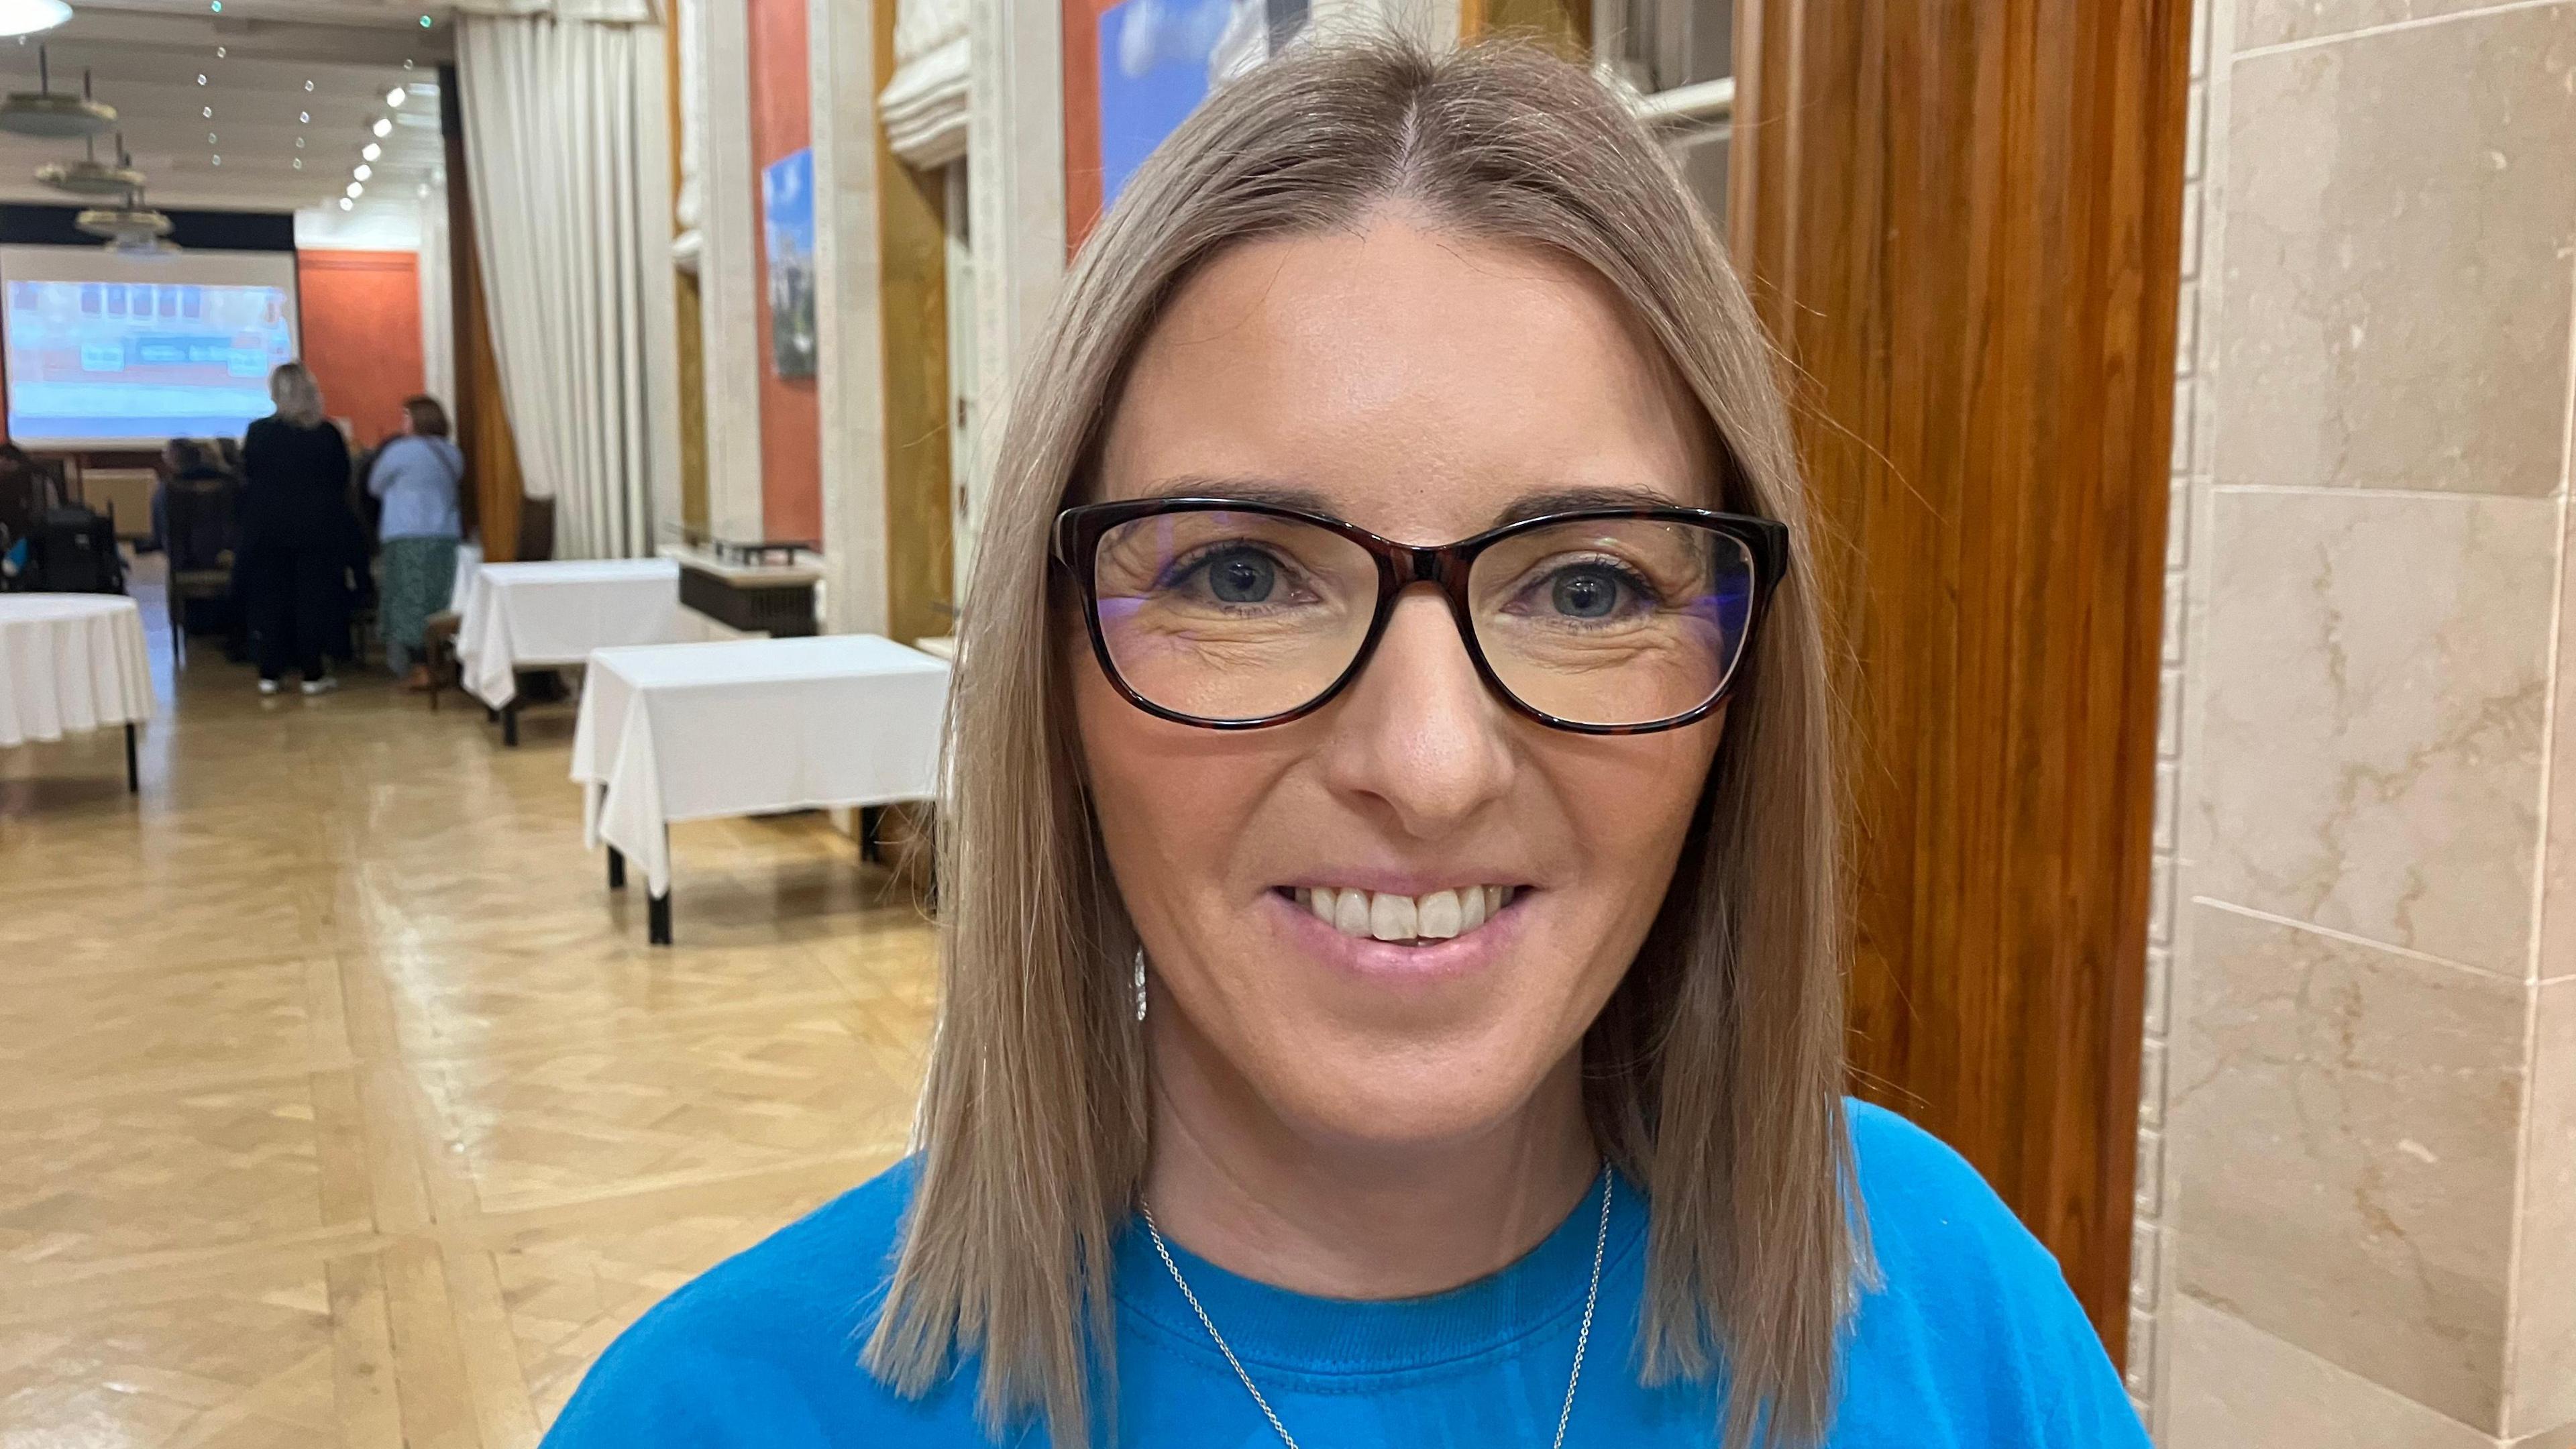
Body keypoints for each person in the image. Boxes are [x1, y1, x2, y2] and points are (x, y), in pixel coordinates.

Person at [541, 40, 2150, 1449]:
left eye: (1587, 584)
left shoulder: (1952, 1304)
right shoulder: (714, 1413)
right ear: (1051, 678)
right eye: (1239, 575)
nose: (1431, 761)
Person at [239, 362, 356, 696]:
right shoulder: (326, 433)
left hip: (267, 529)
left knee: (270, 599)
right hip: (317, 529)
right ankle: (312, 673)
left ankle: (269, 672)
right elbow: (341, 479)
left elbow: (248, 475)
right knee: (312, 600)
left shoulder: (259, 432)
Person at [367, 394, 465, 688]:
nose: (403, 422)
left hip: (406, 535)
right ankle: (441, 663)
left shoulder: (401, 451)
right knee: (438, 601)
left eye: (406, 416)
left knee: (408, 604)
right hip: (445, 536)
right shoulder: (452, 454)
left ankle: (421, 667)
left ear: (418, 419)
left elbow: (374, 485)